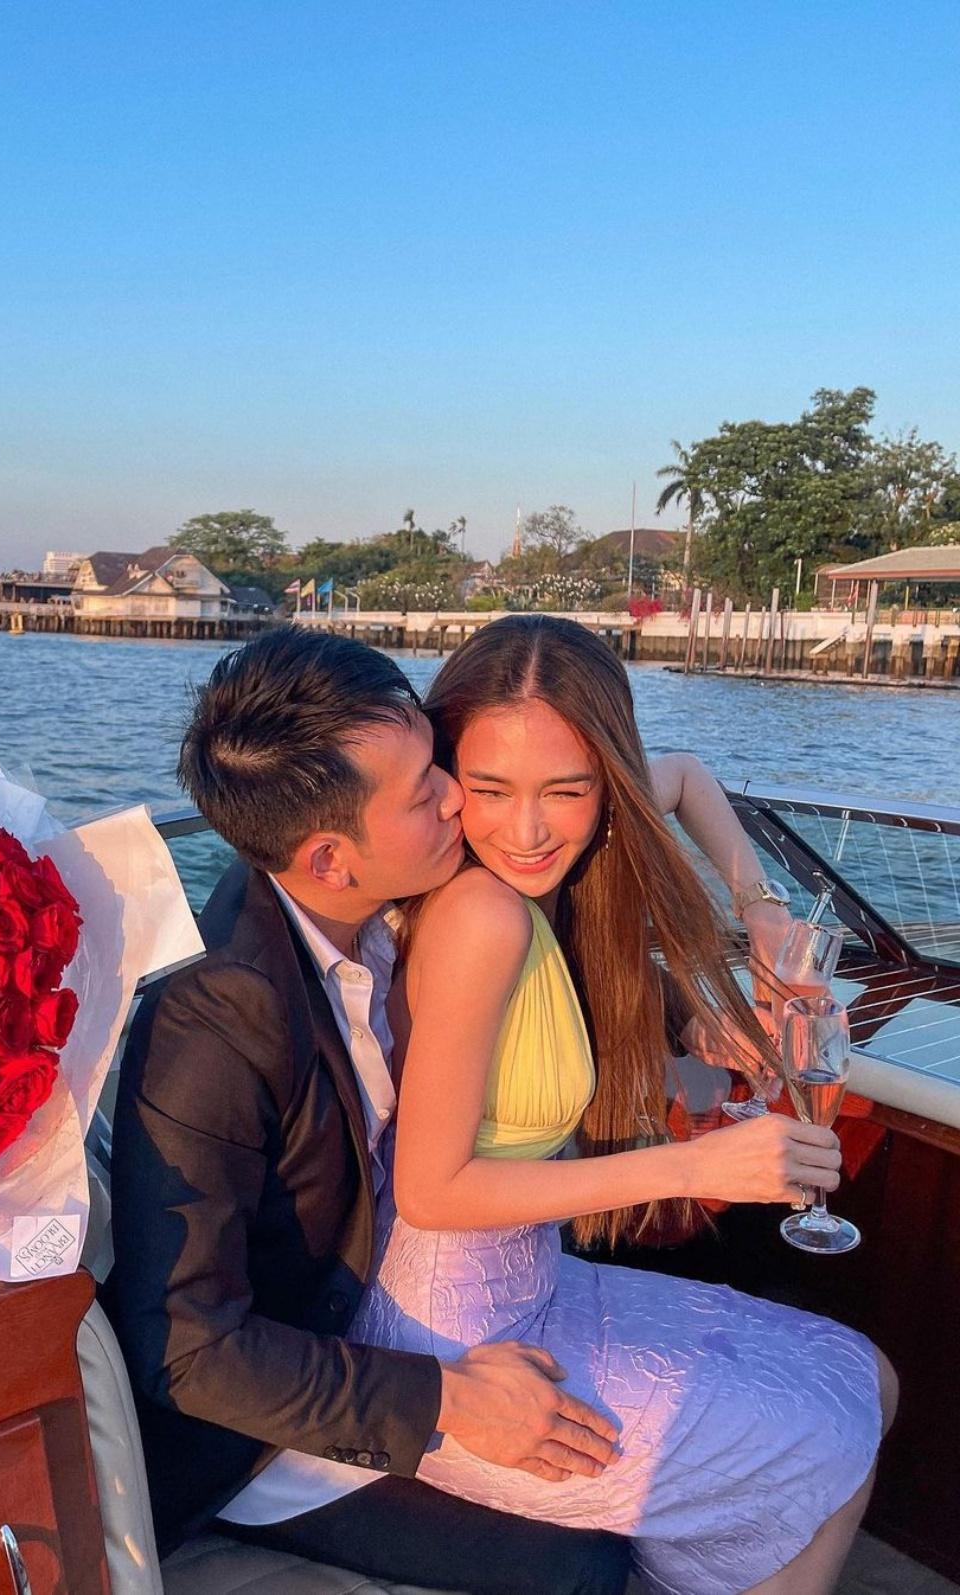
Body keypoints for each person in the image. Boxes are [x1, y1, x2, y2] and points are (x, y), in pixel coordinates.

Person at [105, 625, 821, 1595]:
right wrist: (446, 1399)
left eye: (442, 765)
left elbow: (663, 779)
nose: (462, 801)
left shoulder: (390, 872)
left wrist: (745, 926)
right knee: (583, 1564)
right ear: (330, 858)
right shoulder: (216, 1018)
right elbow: (188, 1350)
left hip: (442, 1292)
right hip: (276, 1424)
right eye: (431, 790)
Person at [347, 615, 897, 1595]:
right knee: (828, 1429)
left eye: (566, 789)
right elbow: (429, 1188)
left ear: (605, 783)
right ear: (443, 775)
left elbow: (682, 775)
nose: (526, 831)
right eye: (489, 789)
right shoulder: (479, 914)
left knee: (863, 1374)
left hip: (532, 1283)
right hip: (460, 1342)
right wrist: (696, 1164)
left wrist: (762, 911)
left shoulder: (518, 886)